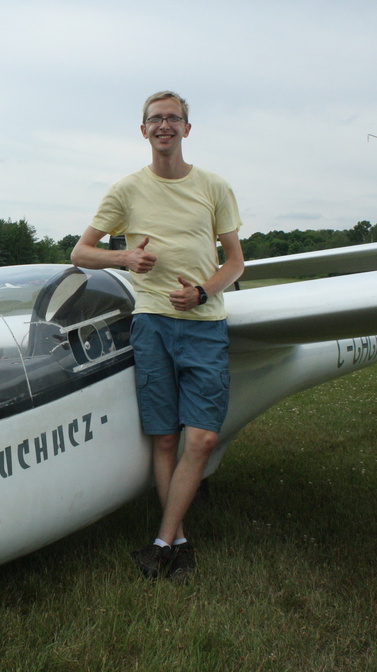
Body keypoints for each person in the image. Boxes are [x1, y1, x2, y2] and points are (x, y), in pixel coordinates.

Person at [70, 91, 245, 581]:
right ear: (143, 130)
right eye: (155, 119)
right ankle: (180, 542)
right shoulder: (126, 190)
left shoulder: (214, 187)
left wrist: (204, 293)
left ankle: (162, 540)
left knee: (203, 437)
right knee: (165, 440)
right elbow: (80, 253)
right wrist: (124, 258)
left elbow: (235, 262)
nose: (164, 125)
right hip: (150, 322)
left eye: (173, 118)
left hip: (204, 326)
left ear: (187, 129)